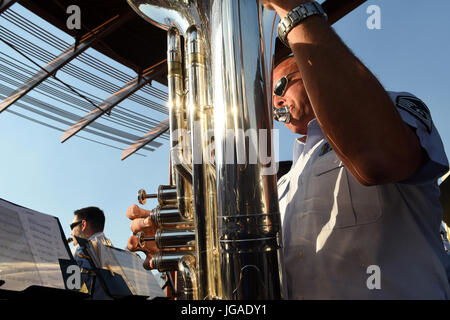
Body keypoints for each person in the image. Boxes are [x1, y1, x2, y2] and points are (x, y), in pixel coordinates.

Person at [266, 0, 450, 299]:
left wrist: (295, 11)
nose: (275, 103)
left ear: (314, 74)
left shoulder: (391, 107)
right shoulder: (284, 184)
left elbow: (379, 159)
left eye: (280, 87)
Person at [71, 206, 112, 299]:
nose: (71, 233)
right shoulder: (115, 252)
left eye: (72, 226)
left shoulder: (80, 250)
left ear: (83, 225)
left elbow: (70, 287)